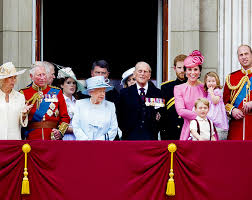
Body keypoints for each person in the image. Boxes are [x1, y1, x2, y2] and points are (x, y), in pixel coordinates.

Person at [20, 62, 70, 140]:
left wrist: (60, 132)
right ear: (31, 76)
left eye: (44, 74)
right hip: (32, 138)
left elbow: (65, 117)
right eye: (39, 75)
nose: (42, 78)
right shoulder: (23, 93)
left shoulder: (57, 92)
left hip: (52, 138)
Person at [117, 61, 163, 140]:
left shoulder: (158, 93)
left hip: (150, 139)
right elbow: (119, 116)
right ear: (134, 74)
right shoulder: (124, 93)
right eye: (140, 71)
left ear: (149, 75)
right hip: (129, 139)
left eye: (145, 71)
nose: (142, 74)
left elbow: (161, 114)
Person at [72, 76, 118, 140]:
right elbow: (76, 126)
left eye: (103, 91)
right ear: (91, 92)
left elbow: (113, 128)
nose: (102, 94)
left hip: (103, 145)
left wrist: (99, 141)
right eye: (99, 91)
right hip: (83, 145)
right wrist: (86, 141)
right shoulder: (80, 104)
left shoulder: (110, 106)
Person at [174, 50, 207, 140]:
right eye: (189, 69)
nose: (193, 72)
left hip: (206, 128)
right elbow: (180, 111)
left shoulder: (204, 87)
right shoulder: (178, 88)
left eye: (196, 69)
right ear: (185, 71)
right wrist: (200, 116)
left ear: (200, 71)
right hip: (189, 130)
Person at [223, 44, 252, 140]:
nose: (244, 57)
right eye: (241, 55)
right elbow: (223, 103)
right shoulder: (231, 78)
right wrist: (232, 110)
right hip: (236, 127)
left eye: (246, 54)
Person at [0, 62, 31, 140]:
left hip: (14, 139)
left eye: (15, 77)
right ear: (2, 80)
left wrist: (24, 115)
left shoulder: (20, 97)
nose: (13, 80)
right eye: (10, 77)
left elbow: (22, 121)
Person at [160, 54, 187, 140]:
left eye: (185, 68)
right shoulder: (166, 87)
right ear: (174, 68)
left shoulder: (196, 86)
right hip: (170, 132)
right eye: (179, 68)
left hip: (189, 132)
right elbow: (162, 112)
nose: (182, 70)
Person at [57, 67, 84, 140]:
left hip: (79, 138)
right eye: (68, 83)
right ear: (61, 85)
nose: (72, 85)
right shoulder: (57, 101)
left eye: (74, 83)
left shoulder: (79, 102)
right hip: (64, 138)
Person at [204, 71, 229, 140]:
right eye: (209, 81)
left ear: (217, 82)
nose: (211, 83)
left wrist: (212, 93)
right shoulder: (208, 92)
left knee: (217, 131)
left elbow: (215, 101)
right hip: (210, 113)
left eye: (213, 81)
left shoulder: (217, 91)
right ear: (206, 83)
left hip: (217, 114)